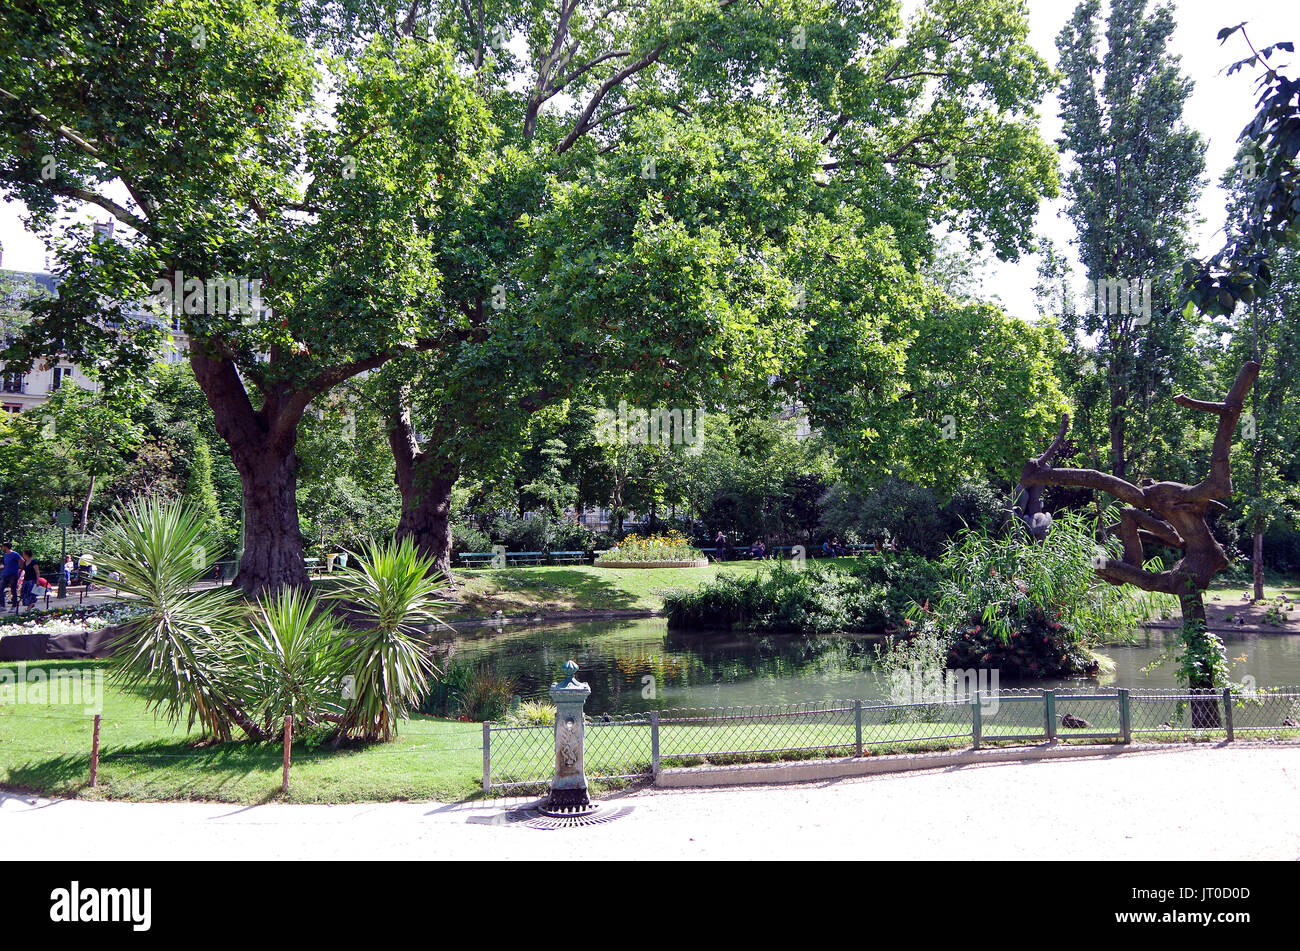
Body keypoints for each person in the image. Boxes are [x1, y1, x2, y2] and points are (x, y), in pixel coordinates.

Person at [0, 543, 19, 611]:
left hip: (13, 575)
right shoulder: (5, 555)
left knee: (13, 590)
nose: (1, 548)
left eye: (2, 547)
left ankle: (14, 606)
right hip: (5, 575)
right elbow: (5, 565)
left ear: (5, 547)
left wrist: (20, 570)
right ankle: (3, 606)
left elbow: (22, 561)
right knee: (0, 589)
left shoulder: (15, 554)